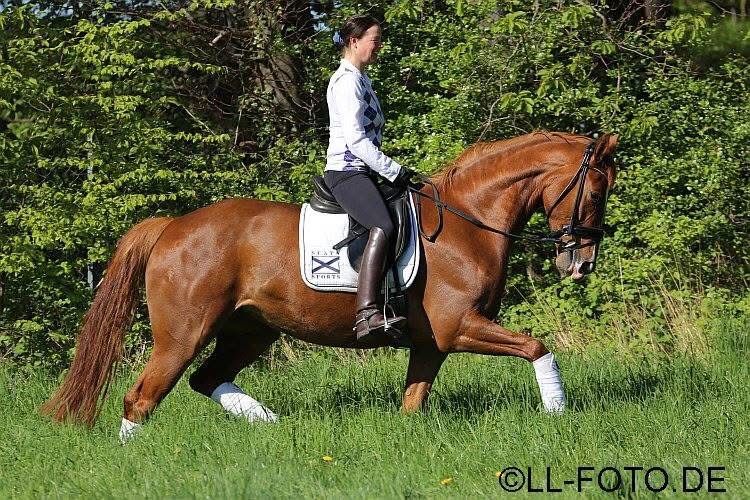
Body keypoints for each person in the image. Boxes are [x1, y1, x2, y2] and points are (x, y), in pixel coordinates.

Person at [324, 14, 415, 341]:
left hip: (363, 171)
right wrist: (394, 170)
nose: (379, 47)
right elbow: (357, 142)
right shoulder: (347, 82)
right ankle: (366, 313)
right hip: (346, 171)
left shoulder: (361, 79)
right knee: (383, 225)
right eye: (375, 40)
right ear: (354, 41)